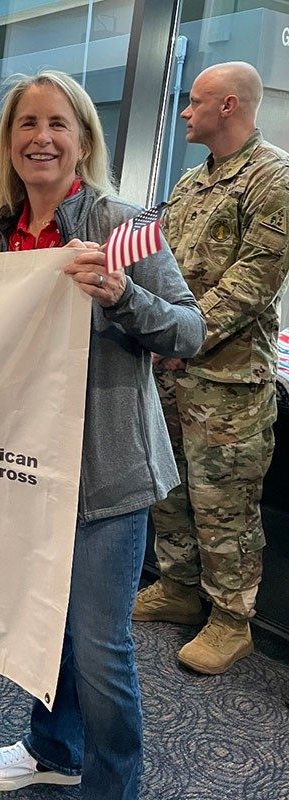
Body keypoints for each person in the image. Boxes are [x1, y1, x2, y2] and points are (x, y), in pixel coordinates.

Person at [0, 72, 205, 799]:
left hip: (105, 472)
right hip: (25, 468)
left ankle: (114, 787)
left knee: (102, 650)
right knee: (46, 626)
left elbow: (190, 330)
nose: (42, 138)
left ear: (82, 139)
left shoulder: (122, 224)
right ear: (8, 143)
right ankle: (52, 746)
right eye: (26, 125)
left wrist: (123, 295)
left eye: (58, 124)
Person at [134, 62, 289, 675]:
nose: (184, 113)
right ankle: (178, 588)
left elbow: (252, 282)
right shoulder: (193, 183)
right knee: (168, 487)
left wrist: (182, 335)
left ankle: (231, 621)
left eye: (194, 103)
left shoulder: (273, 178)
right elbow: (160, 261)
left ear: (228, 106)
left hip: (227, 381)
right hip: (171, 371)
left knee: (225, 502)